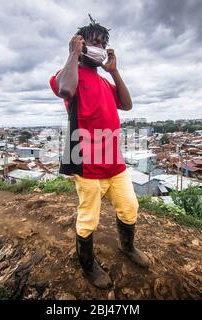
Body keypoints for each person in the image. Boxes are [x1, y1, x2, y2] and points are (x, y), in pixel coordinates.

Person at [49, 15, 149, 289]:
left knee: (130, 208)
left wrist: (114, 71)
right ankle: (88, 264)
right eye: (95, 42)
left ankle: (127, 247)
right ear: (80, 45)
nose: (101, 48)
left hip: (114, 163)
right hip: (87, 165)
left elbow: (126, 105)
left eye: (104, 44)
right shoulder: (68, 74)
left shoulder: (104, 81)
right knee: (88, 218)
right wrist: (72, 55)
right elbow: (65, 88)